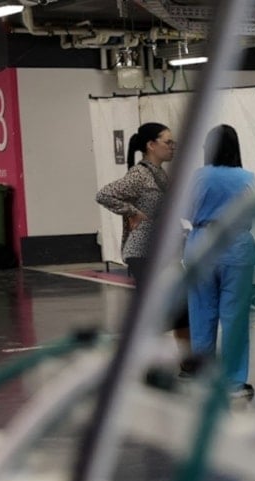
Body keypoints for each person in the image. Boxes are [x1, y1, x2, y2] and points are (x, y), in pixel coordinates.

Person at [95, 122, 192, 362]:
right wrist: (132, 212)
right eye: (167, 142)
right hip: (143, 253)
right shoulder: (139, 175)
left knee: (182, 308)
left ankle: (188, 362)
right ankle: (146, 364)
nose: (172, 147)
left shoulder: (161, 174)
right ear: (151, 145)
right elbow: (104, 194)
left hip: (165, 253)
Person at [184, 124, 255, 400]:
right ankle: (234, 383)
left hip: (201, 244)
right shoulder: (246, 177)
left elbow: (185, 210)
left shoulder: (198, 177)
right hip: (236, 247)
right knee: (235, 318)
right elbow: (252, 212)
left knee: (201, 315)